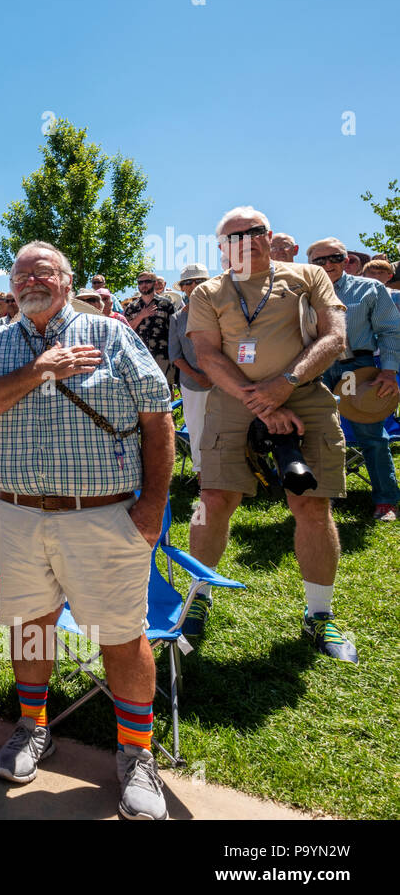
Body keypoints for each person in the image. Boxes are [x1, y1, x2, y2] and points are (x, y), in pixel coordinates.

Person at [0, 240, 175, 820]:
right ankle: (34, 726)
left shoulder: (111, 334)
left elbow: (158, 417)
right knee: (31, 625)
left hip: (101, 515)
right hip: (16, 513)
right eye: (21, 271)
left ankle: (136, 754)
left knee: (122, 634)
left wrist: (152, 507)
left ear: (68, 278)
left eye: (43, 270)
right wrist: (40, 370)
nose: (31, 279)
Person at [185, 207, 355, 661]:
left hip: (303, 392)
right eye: (234, 237)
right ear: (222, 249)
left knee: (311, 504)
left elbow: (334, 336)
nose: (246, 240)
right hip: (231, 399)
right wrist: (256, 399)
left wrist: (286, 385)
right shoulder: (208, 292)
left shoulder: (307, 276)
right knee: (215, 498)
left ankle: (320, 614)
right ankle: (198, 598)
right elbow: (206, 353)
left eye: (255, 231)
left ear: (270, 234)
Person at [306, 238, 400, 521]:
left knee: (371, 435)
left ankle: (386, 501)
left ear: (347, 261)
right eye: (319, 261)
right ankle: (325, 496)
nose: (327, 265)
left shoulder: (369, 288)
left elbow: (390, 331)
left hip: (356, 368)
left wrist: (388, 370)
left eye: (334, 258)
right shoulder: (303, 294)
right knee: (320, 435)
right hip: (317, 368)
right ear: (310, 266)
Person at [168, 264, 213, 474]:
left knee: (232, 426)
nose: (193, 285)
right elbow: (175, 355)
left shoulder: (222, 310)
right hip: (193, 382)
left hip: (228, 381)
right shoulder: (177, 318)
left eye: (199, 281)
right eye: (188, 282)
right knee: (197, 428)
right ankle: (202, 473)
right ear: (182, 288)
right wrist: (198, 376)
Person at [122, 272, 175, 380]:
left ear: (155, 283)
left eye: (147, 281)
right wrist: (141, 315)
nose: (144, 285)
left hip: (163, 357)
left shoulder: (166, 304)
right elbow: (125, 331)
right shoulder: (131, 307)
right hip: (139, 356)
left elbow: (174, 332)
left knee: (167, 392)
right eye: (140, 282)